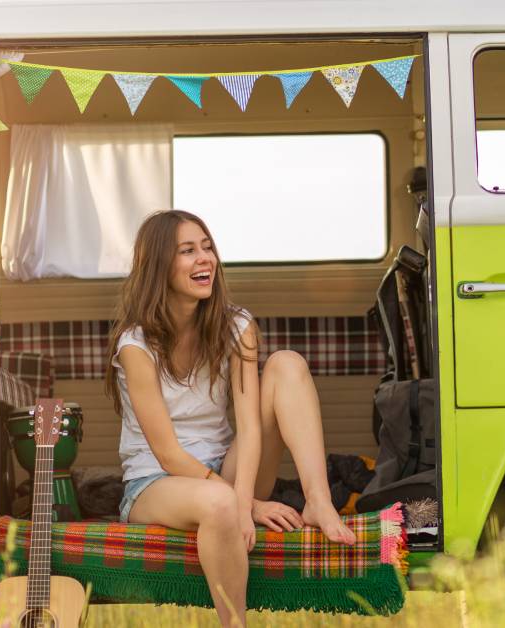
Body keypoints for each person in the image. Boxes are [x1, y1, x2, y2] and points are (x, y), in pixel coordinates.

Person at [104, 209, 356, 626]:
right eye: (188, 251)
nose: (205, 259)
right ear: (158, 267)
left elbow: (250, 426)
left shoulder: (237, 325)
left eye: (208, 248)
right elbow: (167, 454)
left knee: (287, 364)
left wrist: (244, 496)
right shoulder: (136, 345)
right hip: (157, 482)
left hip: (227, 469)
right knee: (220, 502)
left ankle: (318, 500)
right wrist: (248, 505)